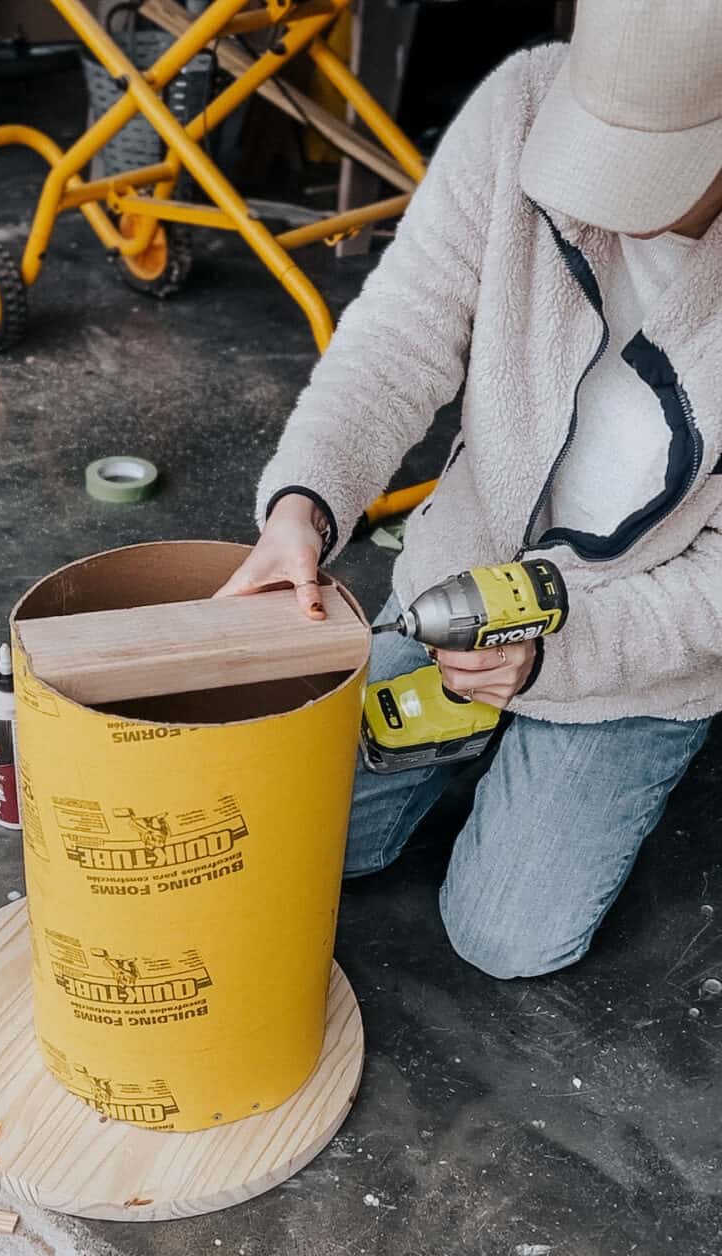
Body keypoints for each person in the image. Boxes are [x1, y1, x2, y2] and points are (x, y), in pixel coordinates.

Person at [218, 0, 722, 979]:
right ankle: (481, 732)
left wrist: (558, 662)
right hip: (470, 580)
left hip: (639, 645)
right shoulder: (523, 106)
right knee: (312, 840)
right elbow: (399, 336)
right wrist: (305, 506)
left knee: (506, 937)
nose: (603, 199)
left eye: (648, 163)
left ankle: (595, 742)